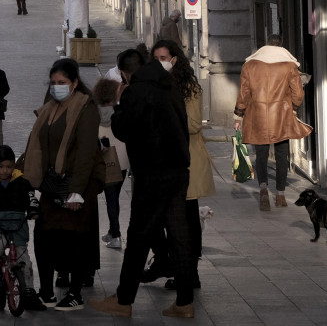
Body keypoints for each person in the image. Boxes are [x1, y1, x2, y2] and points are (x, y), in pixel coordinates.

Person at [88, 49, 196, 319]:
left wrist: (118, 104)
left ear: (125, 72)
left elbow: (123, 129)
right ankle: (184, 301)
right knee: (179, 234)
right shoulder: (169, 85)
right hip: (178, 168)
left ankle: (123, 300)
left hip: (153, 172)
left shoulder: (137, 91)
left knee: (138, 236)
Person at [21, 58, 104, 311]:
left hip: (77, 183)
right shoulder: (49, 109)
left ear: (75, 83)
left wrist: (77, 191)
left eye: (62, 83)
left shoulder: (85, 108)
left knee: (75, 238)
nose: (56, 87)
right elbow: (35, 145)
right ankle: (46, 291)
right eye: (53, 83)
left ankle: (75, 293)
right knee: (43, 236)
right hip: (51, 184)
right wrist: (17, 172)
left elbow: (87, 153)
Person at [141, 40, 216, 290]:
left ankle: (189, 272)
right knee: (162, 219)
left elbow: (194, 124)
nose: (160, 62)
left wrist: (164, 120)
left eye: (164, 57)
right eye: (156, 58)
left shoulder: (189, 88)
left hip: (187, 161)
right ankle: (170, 262)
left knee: (187, 220)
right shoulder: (152, 86)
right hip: (161, 162)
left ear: (175, 59)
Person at [233, 34, 312, 211]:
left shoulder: (250, 65)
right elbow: (298, 94)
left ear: (265, 45)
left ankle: (263, 190)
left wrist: (238, 115)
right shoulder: (290, 66)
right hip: (281, 115)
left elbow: (244, 93)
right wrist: (294, 109)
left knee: (260, 155)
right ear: (281, 47)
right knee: (282, 154)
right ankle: (281, 195)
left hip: (257, 114)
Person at [0, 145, 46, 311]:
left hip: (17, 223)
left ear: (14, 166)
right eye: (1, 167)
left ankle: (28, 292)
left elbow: (31, 198)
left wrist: (34, 210)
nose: (5, 171)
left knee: (25, 260)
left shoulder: (22, 183)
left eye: (9, 167)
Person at [93, 77, 128, 249]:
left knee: (110, 199)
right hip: (123, 161)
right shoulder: (120, 111)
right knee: (115, 198)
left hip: (107, 160)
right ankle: (112, 231)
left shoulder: (95, 113)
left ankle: (116, 234)